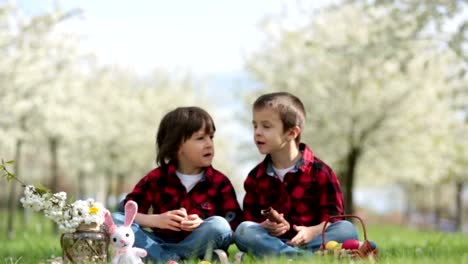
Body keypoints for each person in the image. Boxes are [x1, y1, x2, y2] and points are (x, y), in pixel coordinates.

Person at [234, 92, 358, 259]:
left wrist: (312, 231)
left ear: (292, 133)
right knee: (243, 230)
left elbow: (334, 219)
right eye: (255, 126)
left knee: (347, 229)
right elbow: (251, 219)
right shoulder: (255, 177)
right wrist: (265, 226)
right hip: (271, 242)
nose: (257, 132)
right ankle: (303, 258)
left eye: (266, 126)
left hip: (312, 241)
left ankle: (287, 257)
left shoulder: (321, 172)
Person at [112, 106, 242, 263]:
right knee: (115, 219)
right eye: (201, 138)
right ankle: (173, 258)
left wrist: (202, 224)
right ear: (177, 147)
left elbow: (233, 228)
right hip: (157, 241)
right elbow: (124, 214)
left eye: (211, 137)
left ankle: (163, 257)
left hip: (197, 243)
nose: (209, 144)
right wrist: (155, 220)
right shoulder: (156, 178)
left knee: (219, 225)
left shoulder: (219, 182)